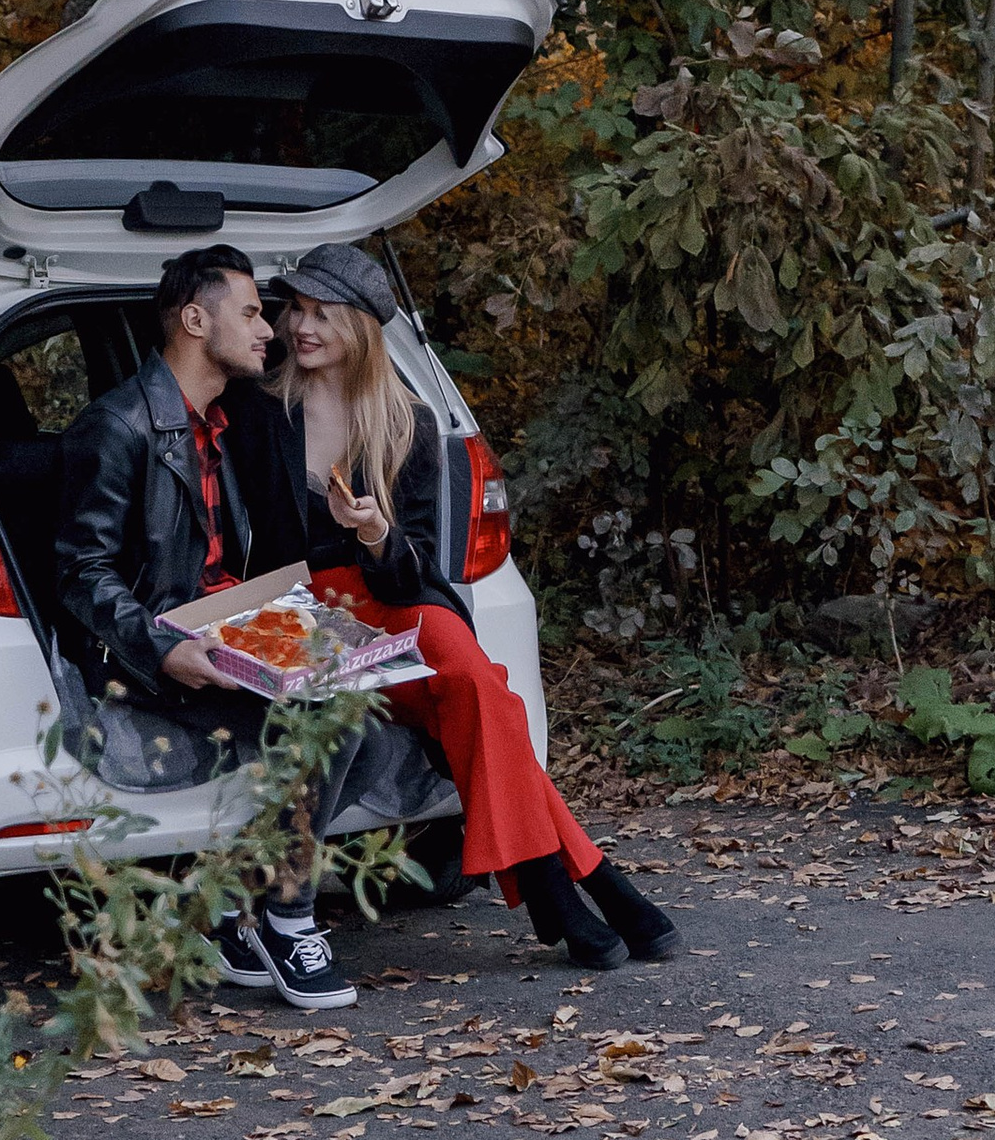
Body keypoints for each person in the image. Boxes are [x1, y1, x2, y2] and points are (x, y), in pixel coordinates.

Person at [241, 243, 677, 973]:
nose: (302, 327)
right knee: (491, 717)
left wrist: (377, 534)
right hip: (309, 614)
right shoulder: (261, 407)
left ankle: (564, 888)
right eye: (298, 311)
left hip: (391, 594)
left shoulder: (406, 422)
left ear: (361, 328)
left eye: (323, 315)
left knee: (478, 689)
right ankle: (580, 884)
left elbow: (415, 572)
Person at [54, 242, 360, 1013]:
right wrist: (168, 647)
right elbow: (81, 574)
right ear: (197, 318)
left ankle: (228, 913)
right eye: (254, 312)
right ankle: (286, 918)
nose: (271, 330)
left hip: (234, 629)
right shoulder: (118, 426)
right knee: (322, 717)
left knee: (351, 687)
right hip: (151, 654)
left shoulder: (232, 422)